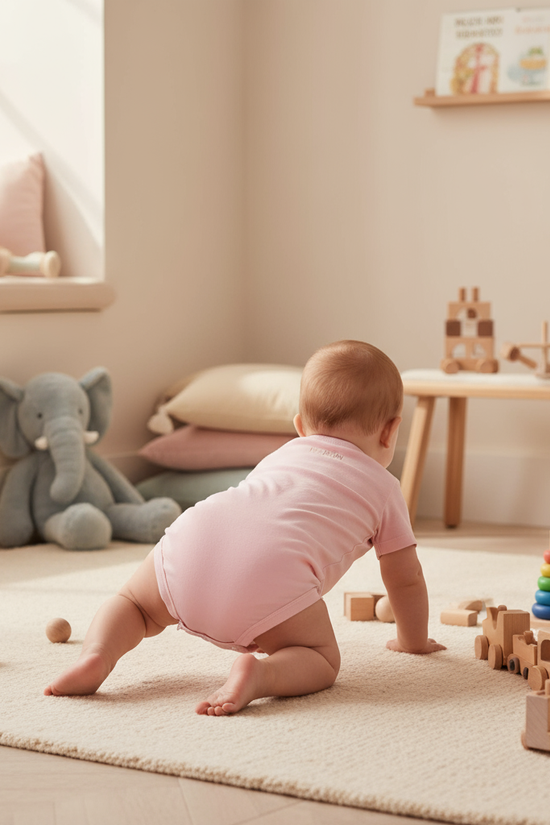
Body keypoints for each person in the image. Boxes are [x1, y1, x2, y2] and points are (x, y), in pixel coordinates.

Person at [44, 340, 446, 714]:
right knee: (322, 659)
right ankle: (261, 674)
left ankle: (96, 655)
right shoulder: (384, 488)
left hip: (193, 538)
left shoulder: (280, 455)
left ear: (300, 426)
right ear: (390, 431)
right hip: (269, 577)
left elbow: (253, 516)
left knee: (133, 604)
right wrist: (412, 641)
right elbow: (405, 577)